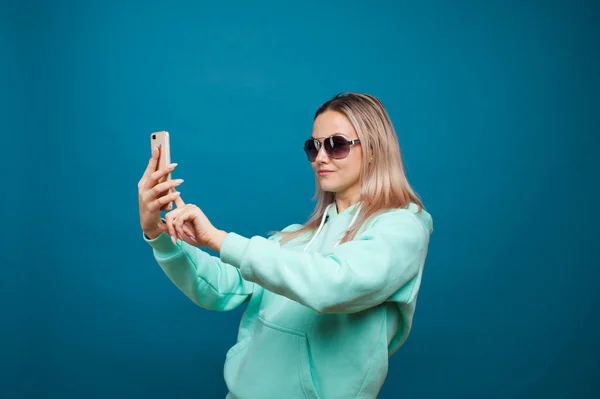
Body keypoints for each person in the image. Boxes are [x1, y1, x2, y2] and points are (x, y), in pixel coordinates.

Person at [137, 92, 433, 399]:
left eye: (337, 144)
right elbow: (220, 287)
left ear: (373, 150)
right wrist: (157, 233)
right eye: (313, 146)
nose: (321, 157)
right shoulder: (297, 238)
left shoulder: (401, 229)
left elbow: (333, 284)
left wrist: (218, 239)